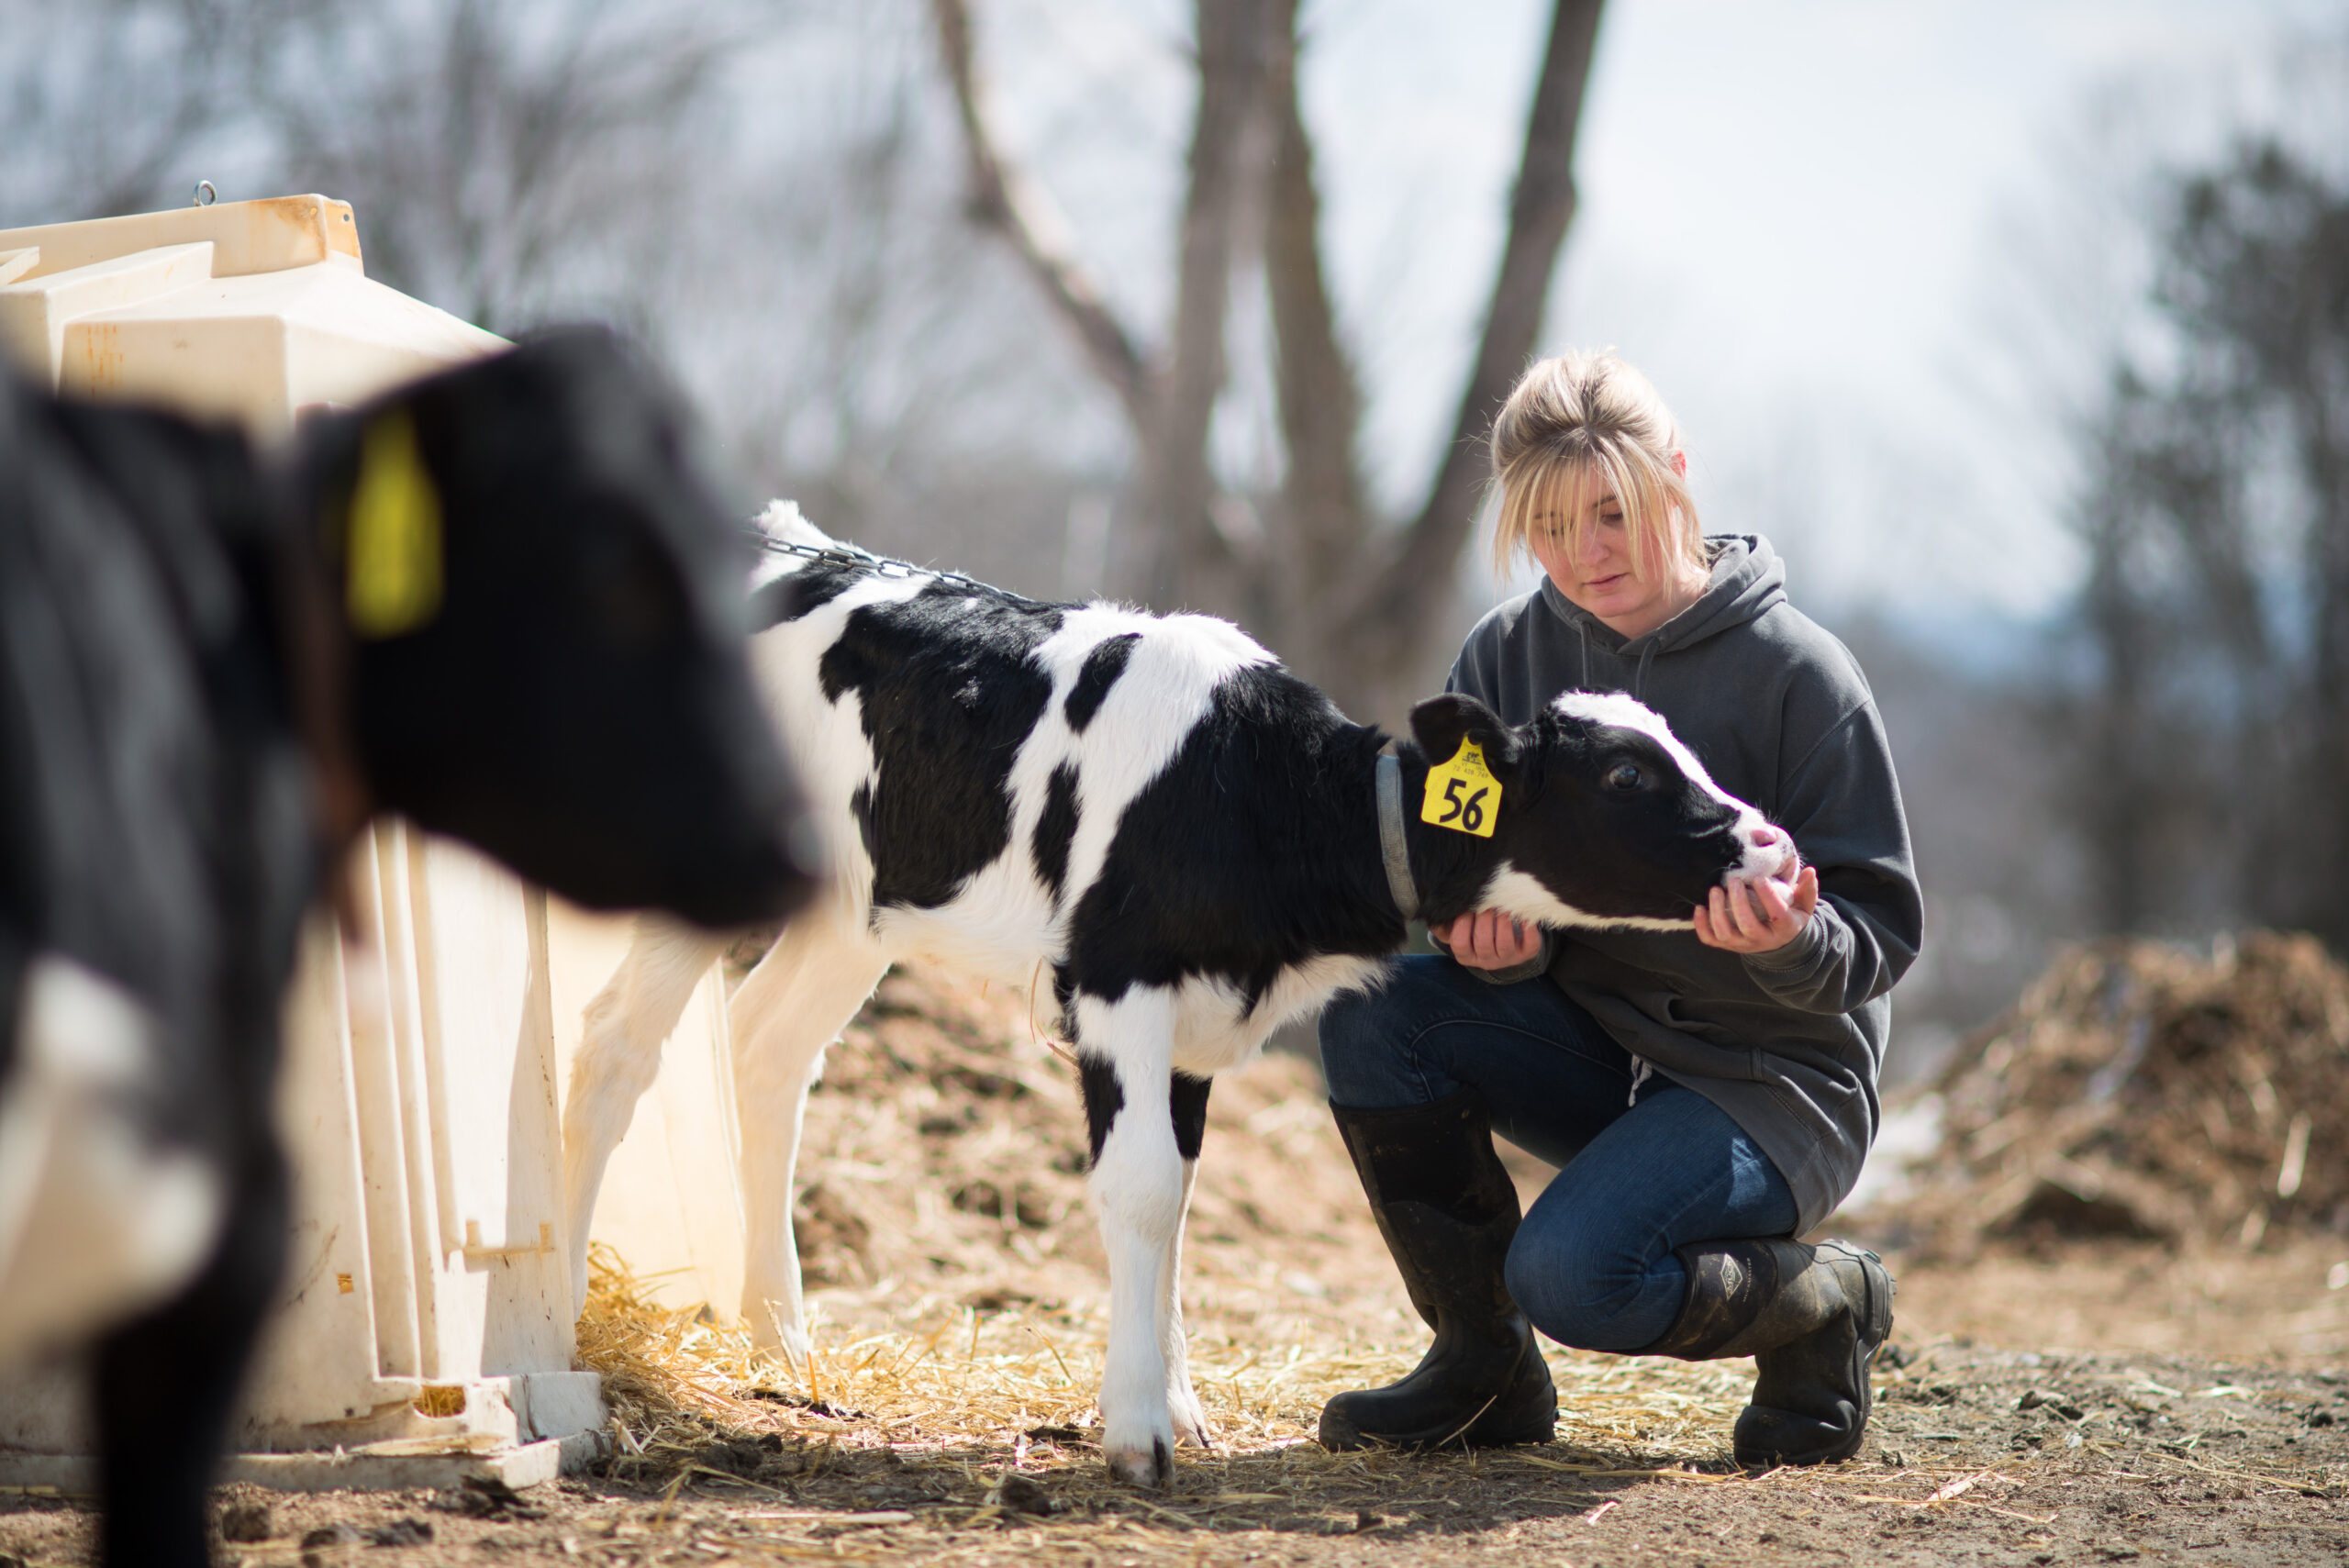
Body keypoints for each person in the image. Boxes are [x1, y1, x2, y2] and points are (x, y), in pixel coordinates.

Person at [1316, 350, 1922, 1469]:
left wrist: (1789, 939)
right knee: (1371, 1012)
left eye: (1612, 512)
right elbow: (1461, 875)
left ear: (1675, 477)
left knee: (1575, 1278)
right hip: (1592, 1050)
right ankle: (1481, 1367)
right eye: (1548, 525)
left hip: (1771, 1082)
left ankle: (1826, 1299)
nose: (1584, 554)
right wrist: (1488, 947)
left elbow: (1880, 935)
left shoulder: (1802, 675)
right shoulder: (1503, 656)